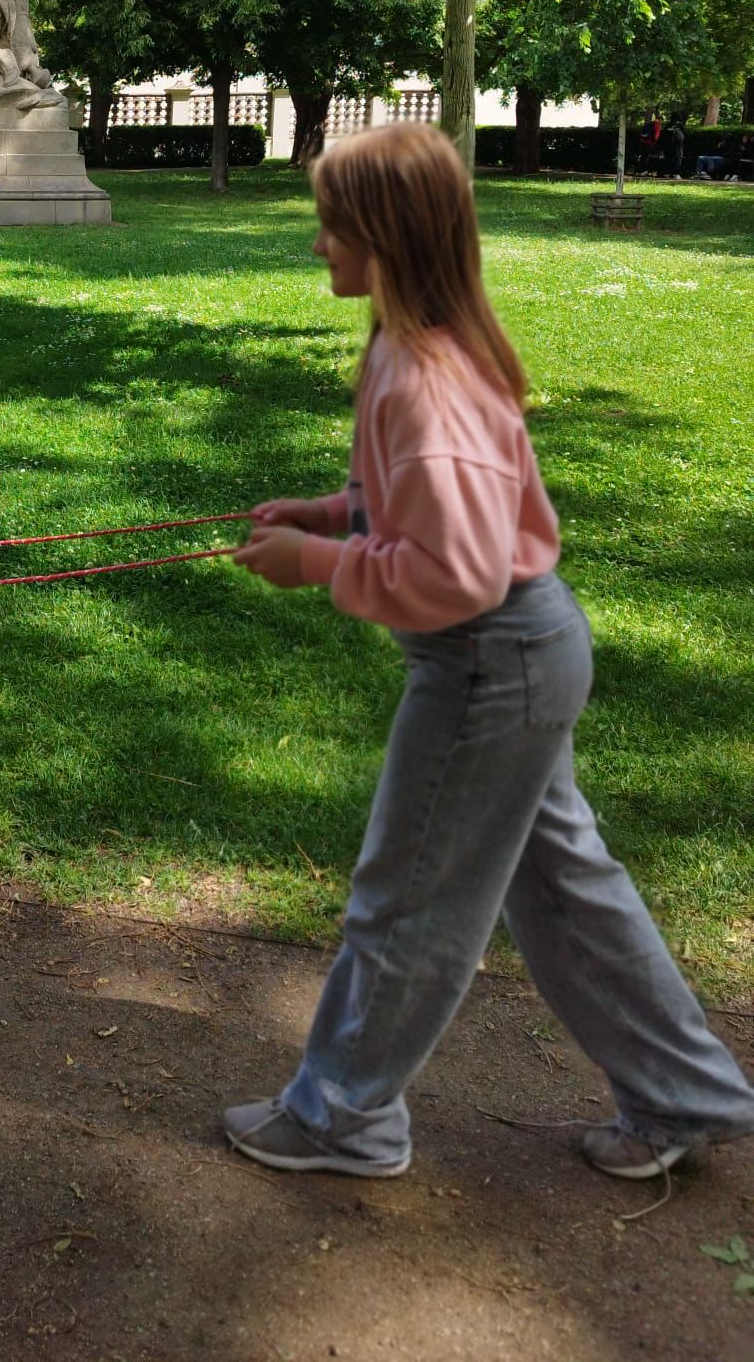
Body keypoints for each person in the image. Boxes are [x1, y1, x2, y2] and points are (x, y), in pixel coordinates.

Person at [227, 122, 754, 1182]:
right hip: (514, 656)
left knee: (408, 895)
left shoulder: (428, 382)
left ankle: (344, 1116)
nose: (319, 243)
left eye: (333, 226)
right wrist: (335, 511)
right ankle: (683, 1094)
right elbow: (427, 508)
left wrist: (319, 563)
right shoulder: (408, 348)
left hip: (488, 661)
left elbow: (458, 570)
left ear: (387, 239)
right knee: (561, 889)